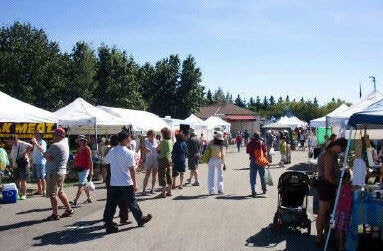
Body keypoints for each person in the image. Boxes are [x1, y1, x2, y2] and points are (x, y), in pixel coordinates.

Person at [103, 131, 152, 233]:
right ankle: (140, 219)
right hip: (125, 181)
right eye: (129, 139)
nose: (130, 140)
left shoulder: (112, 150)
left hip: (114, 182)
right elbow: (132, 169)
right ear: (125, 140)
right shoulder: (129, 152)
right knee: (131, 202)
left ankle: (108, 224)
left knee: (111, 203)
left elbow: (105, 161)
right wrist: (135, 183)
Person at [315, 138, 347, 246]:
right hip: (325, 185)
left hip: (326, 185)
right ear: (337, 146)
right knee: (323, 211)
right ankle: (319, 237)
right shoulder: (329, 155)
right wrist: (337, 184)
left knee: (325, 211)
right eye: (341, 149)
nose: (341, 152)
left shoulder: (330, 153)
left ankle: (322, 235)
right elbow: (328, 175)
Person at [43, 128, 73, 220]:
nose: (53, 136)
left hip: (54, 173)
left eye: (54, 135)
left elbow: (46, 156)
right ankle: (69, 209)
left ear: (60, 136)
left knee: (53, 194)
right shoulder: (64, 144)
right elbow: (50, 157)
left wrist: (44, 153)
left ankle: (55, 214)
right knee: (60, 192)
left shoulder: (56, 145)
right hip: (61, 171)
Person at [103, 134, 130, 225]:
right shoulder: (119, 150)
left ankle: (107, 219)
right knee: (122, 200)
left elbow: (105, 162)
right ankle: (123, 218)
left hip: (110, 177)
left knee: (111, 200)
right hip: (119, 178)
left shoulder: (109, 150)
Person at [70, 135, 94, 207]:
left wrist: (91, 170)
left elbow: (90, 160)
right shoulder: (78, 149)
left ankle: (75, 200)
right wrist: (75, 164)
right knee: (85, 183)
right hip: (79, 168)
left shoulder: (87, 149)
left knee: (80, 185)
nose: (80, 141)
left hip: (85, 169)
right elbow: (76, 158)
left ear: (84, 141)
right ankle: (89, 198)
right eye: (79, 140)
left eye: (82, 140)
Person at [8, 134, 33, 200]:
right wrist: (11, 164)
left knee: (23, 180)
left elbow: (31, 146)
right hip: (15, 164)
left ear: (14, 140)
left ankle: (24, 194)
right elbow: (13, 155)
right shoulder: (13, 146)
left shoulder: (22, 143)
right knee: (16, 180)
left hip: (23, 164)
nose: (9, 142)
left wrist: (24, 152)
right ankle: (18, 193)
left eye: (10, 140)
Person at [246, 132, 267, 197]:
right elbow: (265, 152)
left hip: (253, 160)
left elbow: (248, 152)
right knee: (262, 176)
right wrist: (266, 160)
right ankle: (264, 189)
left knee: (252, 177)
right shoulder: (261, 143)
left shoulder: (250, 143)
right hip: (260, 161)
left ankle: (253, 191)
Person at [157, 127, 173, 198]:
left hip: (163, 159)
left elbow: (157, 149)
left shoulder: (163, 141)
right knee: (168, 174)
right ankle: (169, 191)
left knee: (162, 175)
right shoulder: (170, 141)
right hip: (169, 159)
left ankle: (163, 193)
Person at [141, 130, 159, 195]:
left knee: (154, 175)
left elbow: (158, 149)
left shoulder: (156, 141)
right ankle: (144, 190)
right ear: (148, 135)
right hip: (148, 158)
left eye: (154, 134)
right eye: (151, 135)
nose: (153, 136)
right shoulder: (145, 140)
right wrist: (143, 159)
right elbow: (143, 149)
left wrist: (158, 149)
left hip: (156, 158)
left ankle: (152, 189)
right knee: (147, 175)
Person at [31, 131, 47, 196]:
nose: (35, 135)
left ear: (41, 135)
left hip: (41, 162)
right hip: (35, 162)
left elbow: (42, 150)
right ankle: (39, 190)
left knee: (42, 177)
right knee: (38, 177)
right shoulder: (36, 142)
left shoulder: (42, 142)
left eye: (37, 134)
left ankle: (44, 190)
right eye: (35, 134)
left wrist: (35, 143)